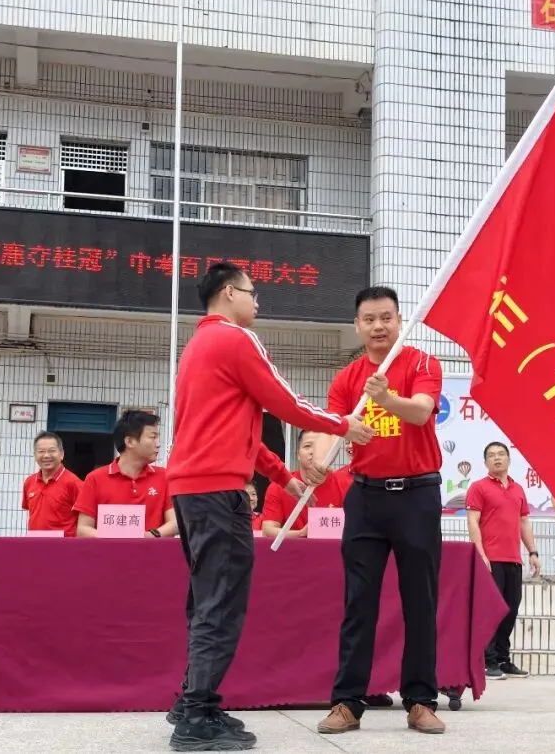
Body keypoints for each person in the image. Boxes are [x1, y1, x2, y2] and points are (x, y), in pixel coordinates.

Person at [165, 262, 373, 752]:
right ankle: (195, 715)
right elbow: (285, 400)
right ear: (228, 292)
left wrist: (285, 477)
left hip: (194, 490)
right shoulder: (236, 340)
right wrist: (343, 425)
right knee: (221, 602)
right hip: (218, 493)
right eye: (253, 293)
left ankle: (196, 701)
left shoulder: (196, 349)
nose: (257, 302)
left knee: (206, 600)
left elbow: (239, 428)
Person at [314, 285, 447, 736]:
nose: (378, 327)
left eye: (386, 318)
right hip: (366, 497)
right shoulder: (346, 378)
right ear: (357, 325)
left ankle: (421, 700)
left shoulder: (422, 363)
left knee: (420, 600)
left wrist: (387, 399)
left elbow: (422, 411)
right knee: (359, 602)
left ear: (400, 320)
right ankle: (348, 702)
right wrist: (317, 463)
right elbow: (334, 430)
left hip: (417, 495)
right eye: (369, 319)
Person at [466, 441, 540, 680]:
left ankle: (502, 658)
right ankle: (487, 661)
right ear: (485, 462)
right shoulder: (479, 487)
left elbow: (524, 523)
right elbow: (472, 522)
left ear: (509, 459)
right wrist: (481, 555)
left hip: (513, 560)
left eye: (501, 454)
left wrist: (533, 552)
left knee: (510, 609)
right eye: (491, 456)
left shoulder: (518, 489)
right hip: (491, 560)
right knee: (491, 611)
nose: (497, 458)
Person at [73, 410, 177, 539]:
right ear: (130, 442)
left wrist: (150, 535)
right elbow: (83, 529)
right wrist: (116, 539)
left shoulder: (164, 476)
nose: (158, 444)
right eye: (153, 437)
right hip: (108, 556)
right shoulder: (95, 478)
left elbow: (175, 523)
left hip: (153, 556)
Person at [260, 430, 352, 539]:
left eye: (320, 446)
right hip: (293, 553)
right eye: (307, 446)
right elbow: (268, 530)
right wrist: (301, 534)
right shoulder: (280, 486)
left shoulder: (347, 485)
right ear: (298, 454)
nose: (313, 451)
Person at [21, 431, 83, 537]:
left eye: (51, 451)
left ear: (62, 454)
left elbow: (85, 519)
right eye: (41, 451)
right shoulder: (29, 482)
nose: (46, 455)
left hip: (63, 548)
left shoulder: (74, 483)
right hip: (34, 545)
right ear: (35, 455)